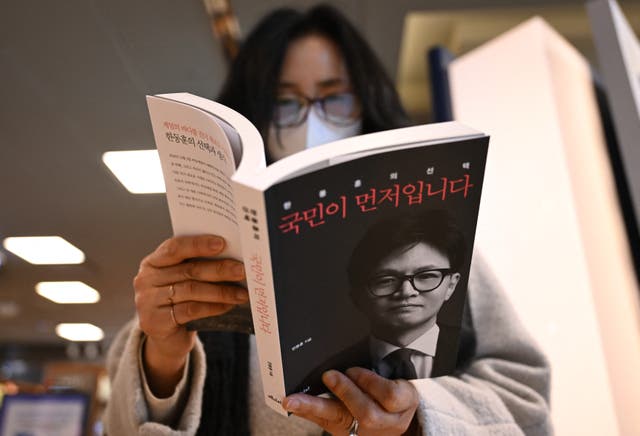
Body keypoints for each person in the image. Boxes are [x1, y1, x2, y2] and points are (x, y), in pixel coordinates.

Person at [104, 4, 552, 436]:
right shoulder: (201, 260)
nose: (311, 120)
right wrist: (162, 356)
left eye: (335, 97)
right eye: (284, 102)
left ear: (365, 102)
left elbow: (526, 401)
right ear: (254, 113)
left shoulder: (438, 244)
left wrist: (419, 415)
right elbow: (123, 426)